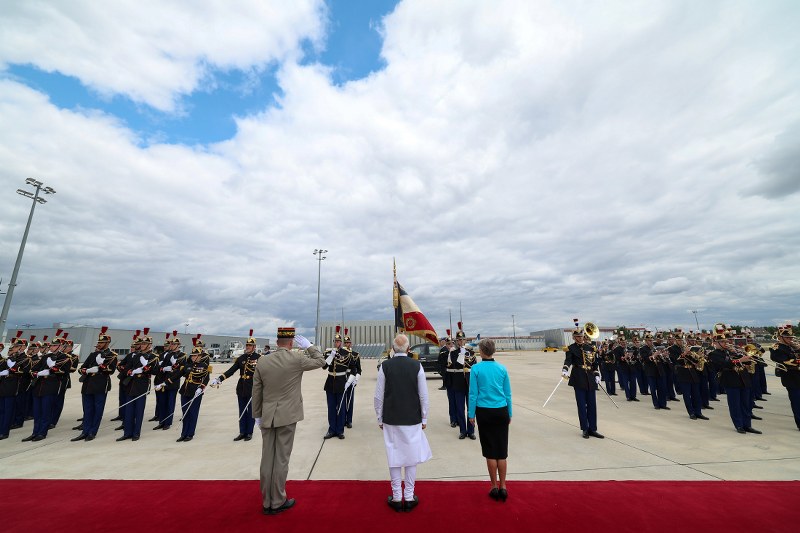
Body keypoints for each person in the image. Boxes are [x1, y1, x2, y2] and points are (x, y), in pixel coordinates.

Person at [252, 327, 325, 515]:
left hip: (267, 415)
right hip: (287, 416)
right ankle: (277, 501)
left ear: (277, 343)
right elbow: (321, 361)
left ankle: (266, 501)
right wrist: (309, 346)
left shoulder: (263, 361)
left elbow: (257, 390)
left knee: (267, 458)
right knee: (281, 459)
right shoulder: (296, 359)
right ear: (291, 343)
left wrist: (257, 415)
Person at [374, 333, 432, 512]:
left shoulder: (385, 366)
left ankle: (397, 497)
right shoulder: (417, 365)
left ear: (393, 349)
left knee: (394, 456)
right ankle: (409, 496)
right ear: (408, 349)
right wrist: (424, 417)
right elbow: (423, 395)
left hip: (391, 417)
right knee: (411, 457)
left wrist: (379, 417)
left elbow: (378, 396)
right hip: (412, 417)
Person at [467, 338, 511, 502]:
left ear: (481, 351)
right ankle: (504, 486)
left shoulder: (476, 369)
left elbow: (473, 394)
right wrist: (509, 413)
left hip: (484, 411)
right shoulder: (502, 368)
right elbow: (508, 393)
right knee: (502, 451)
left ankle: (494, 486)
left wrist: (471, 414)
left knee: (490, 450)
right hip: (501, 410)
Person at [709, 324, 760, 434]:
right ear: (716, 343)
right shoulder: (714, 354)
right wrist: (740, 360)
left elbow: (744, 361)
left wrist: (741, 354)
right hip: (731, 381)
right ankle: (739, 425)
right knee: (735, 405)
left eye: (725, 341)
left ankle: (747, 425)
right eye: (722, 342)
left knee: (746, 404)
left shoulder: (731, 351)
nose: (725, 343)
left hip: (743, 379)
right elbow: (724, 364)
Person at [210, 329, 261, 441]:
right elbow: (231, 370)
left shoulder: (259, 358)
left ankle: (249, 432)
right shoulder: (241, 358)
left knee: (251, 411)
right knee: (242, 410)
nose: (248, 347)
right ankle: (242, 432)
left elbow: (264, 374)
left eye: (250, 345)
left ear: (254, 347)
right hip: (241, 388)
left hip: (253, 388)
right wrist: (220, 379)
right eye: (247, 345)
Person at [72, 327, 118, 441]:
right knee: (87, 410)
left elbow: (111, 370)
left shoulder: (112, 356)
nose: (99, 344)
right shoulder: (93, 354)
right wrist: (85, 370)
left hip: (100, 385)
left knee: (97, 410)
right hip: (88, 385)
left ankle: (92, 432)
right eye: (99, 342)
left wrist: (101, 366)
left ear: (107, 343)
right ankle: (85, 431)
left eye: (101, 342)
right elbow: (82, 368)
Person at [562, 320, 603, 439]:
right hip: (578, 378)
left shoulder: (590, 348)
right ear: (574, 338)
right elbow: (568, 360)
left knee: (592, 405)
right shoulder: (570, 348)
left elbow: (594, 363)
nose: (580, 338)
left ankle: (593, 429)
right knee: (581, 405)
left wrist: (597, 375)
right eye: (577, 337)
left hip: (590, 378)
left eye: (581, 336)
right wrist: (565, 369)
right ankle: (585, 428)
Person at [322, 326, 357, 439]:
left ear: (341, 342)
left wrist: (349, 381)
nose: (337, 343)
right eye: (335, 341)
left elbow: (354, 369)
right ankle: (331, 430)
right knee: (331, 408)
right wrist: (331, 356)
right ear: (334, 342)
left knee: (341, 408)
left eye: (338, 341)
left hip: (341, 382)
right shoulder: (328, 352)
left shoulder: (347, 353)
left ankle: (340, 430)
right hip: (330, 383)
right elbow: (324, 366)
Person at [176, 343, 211, 442]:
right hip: (185, 391)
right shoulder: (187, 366)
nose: (193, 357)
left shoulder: (204, 366)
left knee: (193, 413)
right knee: (185, 413)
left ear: (200, 356)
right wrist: (165, 383)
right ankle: (183, 434)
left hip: (195, 392)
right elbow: (177, 375)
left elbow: (206, 378)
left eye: (195, 356)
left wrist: (201, 388)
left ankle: (190, 433)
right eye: (192, 356)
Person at [448, 326, 477, 439]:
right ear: (456, 341)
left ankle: (471, 431)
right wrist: (461, 354)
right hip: (458, 384)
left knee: (471, 409)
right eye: (459, 340)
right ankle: (463, 431)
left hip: (470, 384)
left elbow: (475, 368)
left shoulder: (471, 353)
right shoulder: (453, 353)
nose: (461, 342)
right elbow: (456, 365)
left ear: (465, 340)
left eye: (462, 339)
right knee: (460, 409)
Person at [769, 324, 800, 430]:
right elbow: (785, 362)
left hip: (797, 376)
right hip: (791, 378)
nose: (790, 339)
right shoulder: (777, 348)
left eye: (791, 337)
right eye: (787, 337)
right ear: (780, 337)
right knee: (797, 402)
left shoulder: (791, 346)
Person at [343, 330, 361, 429]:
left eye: (348, 343)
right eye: (345, 343)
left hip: (352, 378)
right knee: (342, 400)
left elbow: (359, 369)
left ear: (351, 344)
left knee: (349, 400)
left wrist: (356, 379)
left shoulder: (355, 354)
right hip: (342, 379)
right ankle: (342, 419)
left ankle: (349, 420)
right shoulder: (341, 353)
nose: (347, 344)